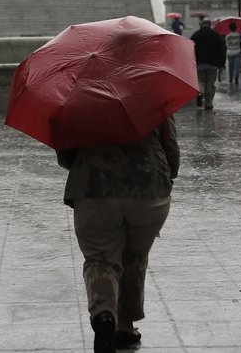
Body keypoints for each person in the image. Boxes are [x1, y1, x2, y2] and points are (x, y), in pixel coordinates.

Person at [56, 116, 180, 353]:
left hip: (95, 186)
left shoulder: (79, 99)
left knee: (100, 259)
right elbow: (171, 148)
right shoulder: (153, 88)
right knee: (134, 256)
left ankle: (104, 314)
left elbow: (65, 155)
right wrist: (168, 173)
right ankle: (125, 327)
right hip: (149, 185)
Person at [190, 18, 226, 110]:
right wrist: (222, 63)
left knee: (201, 81)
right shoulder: (215, 35)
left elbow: (190, 48)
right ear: (210, 25)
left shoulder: (196, 35)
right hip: (212, 63)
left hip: (199, 63)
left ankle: (200, 92)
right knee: (210, 83)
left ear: (201, 25)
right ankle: (208, 103)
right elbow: (222, 49)